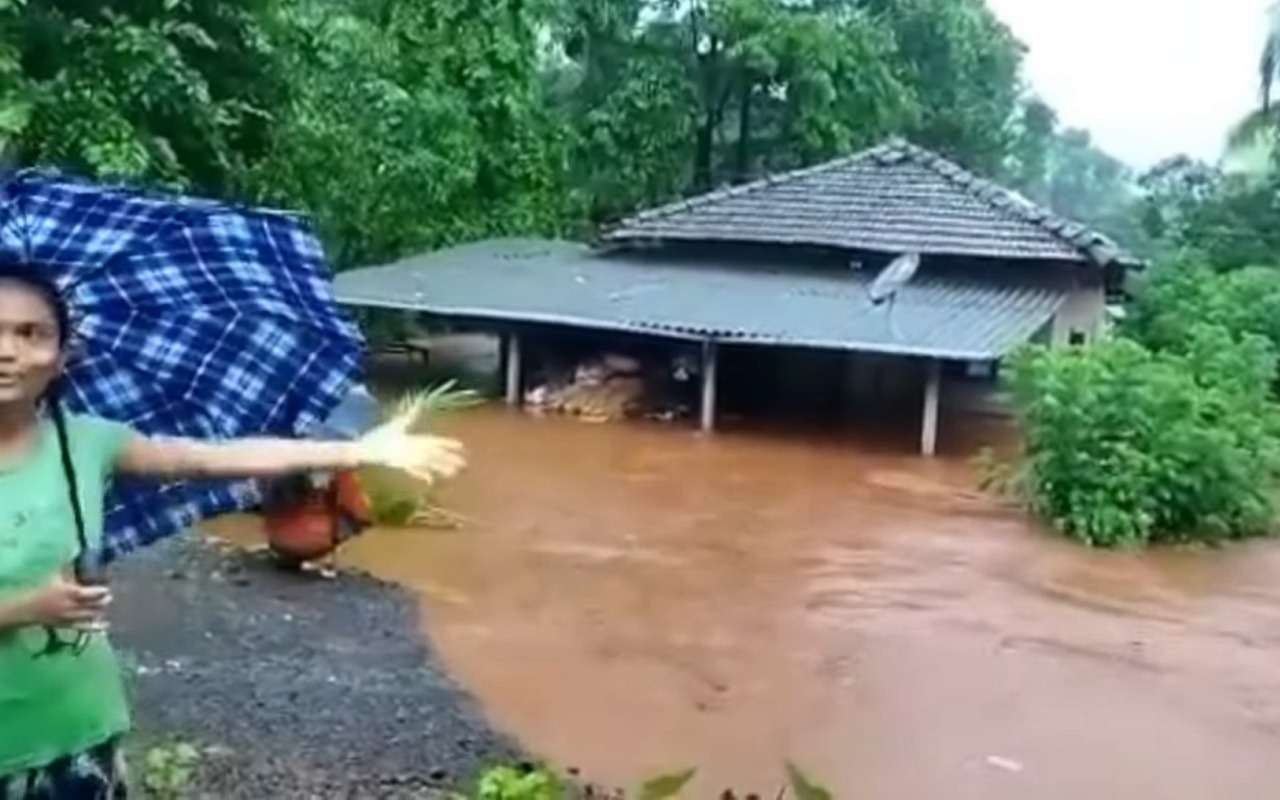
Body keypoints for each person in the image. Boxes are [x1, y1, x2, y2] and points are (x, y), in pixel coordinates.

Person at [0, 264, 464, 798]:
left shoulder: (87, 443)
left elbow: (212, 457)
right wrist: (28, 608)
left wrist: (361, 449)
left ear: (62, 357)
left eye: (31, 333)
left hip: (81, 731)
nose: (9, 350)